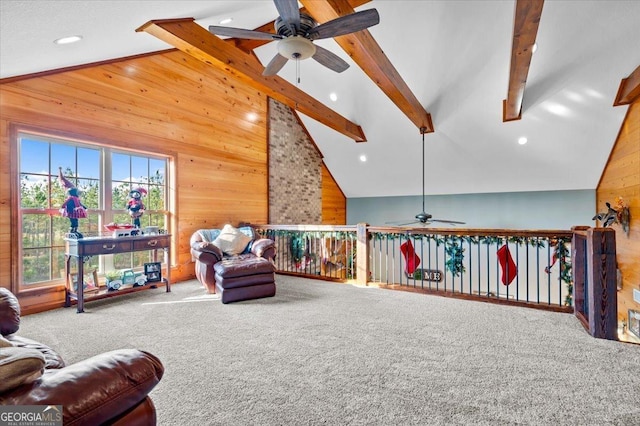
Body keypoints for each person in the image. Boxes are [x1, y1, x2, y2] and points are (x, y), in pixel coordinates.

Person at [58, 167, 87, 238]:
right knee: (73, 222)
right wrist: (71, 209)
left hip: (74, 213)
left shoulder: (75, 198)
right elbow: (67, 204)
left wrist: (84, 207)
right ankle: (72, 231)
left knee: (76, 221)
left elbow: (79, 204)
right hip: (71, 213)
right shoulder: (71, 198)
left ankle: (75, 230)